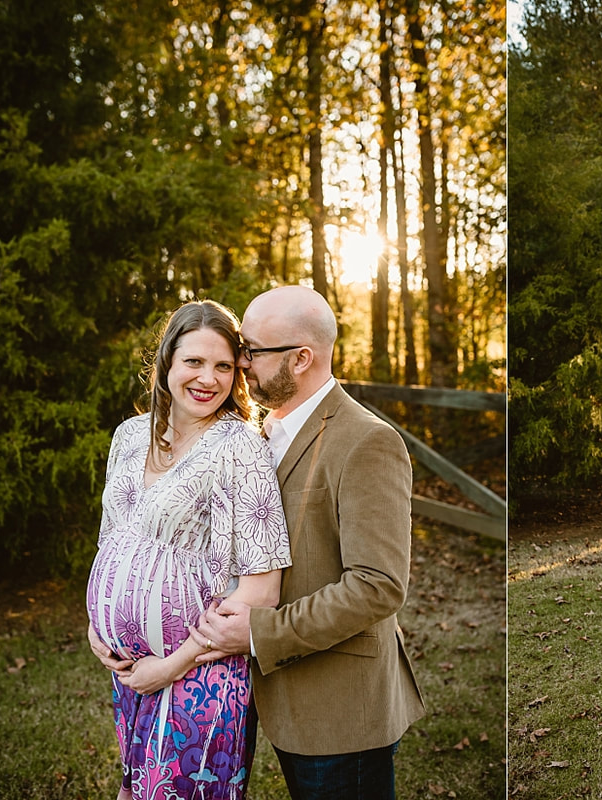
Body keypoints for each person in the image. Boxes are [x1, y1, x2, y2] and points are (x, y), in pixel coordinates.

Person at [189, 285, 425, 800]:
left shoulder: (366, 441)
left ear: (301, 358)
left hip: (339, 706)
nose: (241, 363)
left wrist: (258, 634)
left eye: (252, 351)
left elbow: (378, 586)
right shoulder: (256, 432)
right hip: (266, 696)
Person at [85, 299, 292, 800]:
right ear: (167, 363)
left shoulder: (239, 445)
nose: (209, 378)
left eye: (223, 365)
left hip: (200, 674)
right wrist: (96, 625)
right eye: (194, 362)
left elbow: (261, 591)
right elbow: (111, 539)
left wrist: (172, 664)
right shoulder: (129, 436)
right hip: (130, 672)